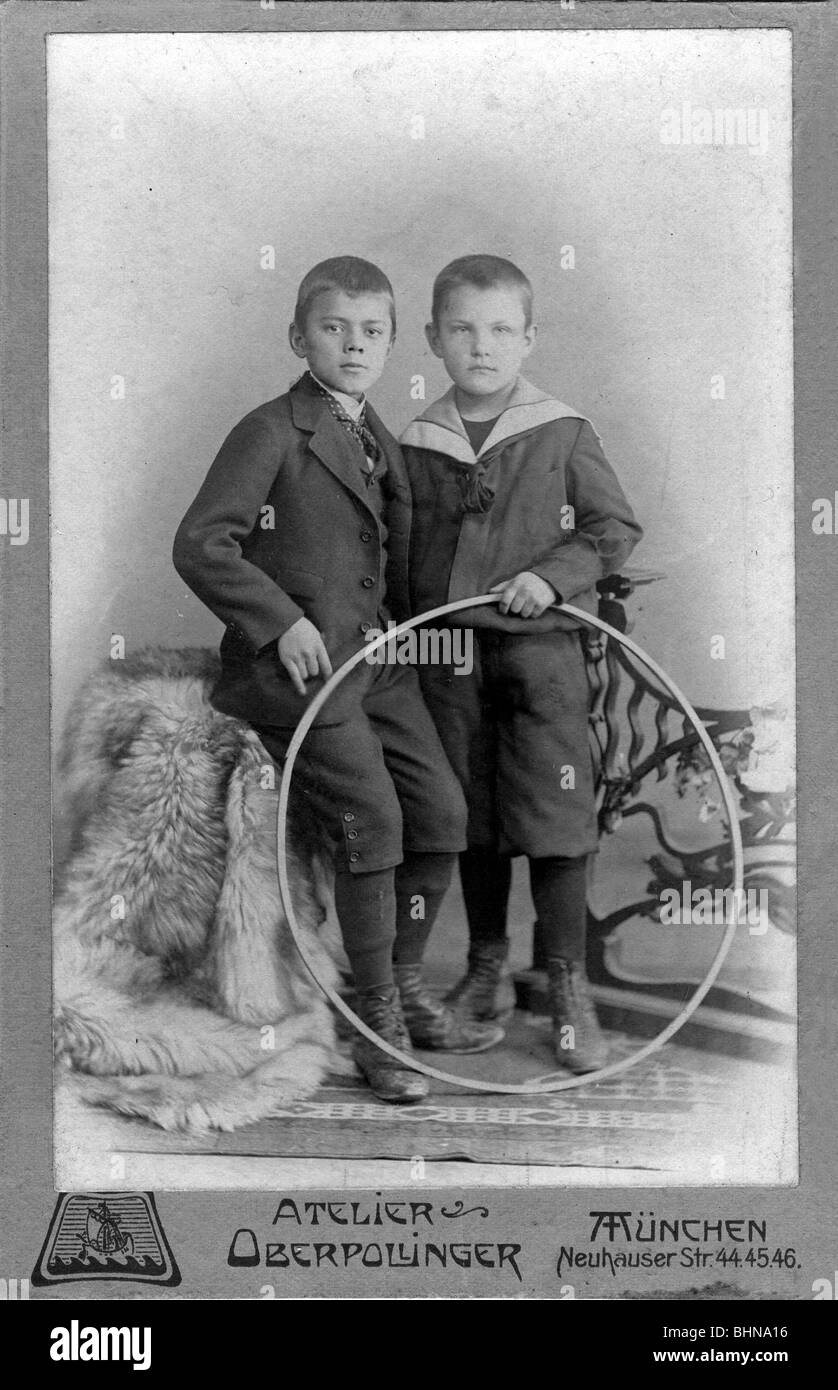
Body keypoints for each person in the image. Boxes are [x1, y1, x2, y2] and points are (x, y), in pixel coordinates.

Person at [173, 256, 503, 1105]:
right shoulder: (270, 430)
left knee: (444, 813)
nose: (353, 346)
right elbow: (202, 542)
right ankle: (376, 1022)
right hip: (296, 673)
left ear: (393, 342)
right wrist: (282, 622)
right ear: (298, 336)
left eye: (372, 332)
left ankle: (395, 983)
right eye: (334, 329)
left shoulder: (373, 433)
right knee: (375, 817)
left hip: (376, 664)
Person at [401, 254, 643, 1072]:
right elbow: (397, 550)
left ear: (529, 337)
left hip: (542, 657)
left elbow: (613, 529)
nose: (482, 346)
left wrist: (550, 577)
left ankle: (568, 986)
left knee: (554, 818)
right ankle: (485, 969)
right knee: (471, 817)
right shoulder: (413, 442)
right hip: (448, 657)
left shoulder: (563, 429)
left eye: (501, 330)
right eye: (463, 329)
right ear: (434, 338)